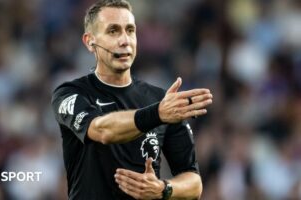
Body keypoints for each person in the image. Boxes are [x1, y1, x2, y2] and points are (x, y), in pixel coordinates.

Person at [51, 0, 213, 199]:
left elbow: (194, 182)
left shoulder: (161, 100)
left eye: (130, 30)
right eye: (113, 31)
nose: (125, 40)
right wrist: (157, 114)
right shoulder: (71, 93)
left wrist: (164, 188)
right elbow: (102, 130)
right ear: (89, 41)